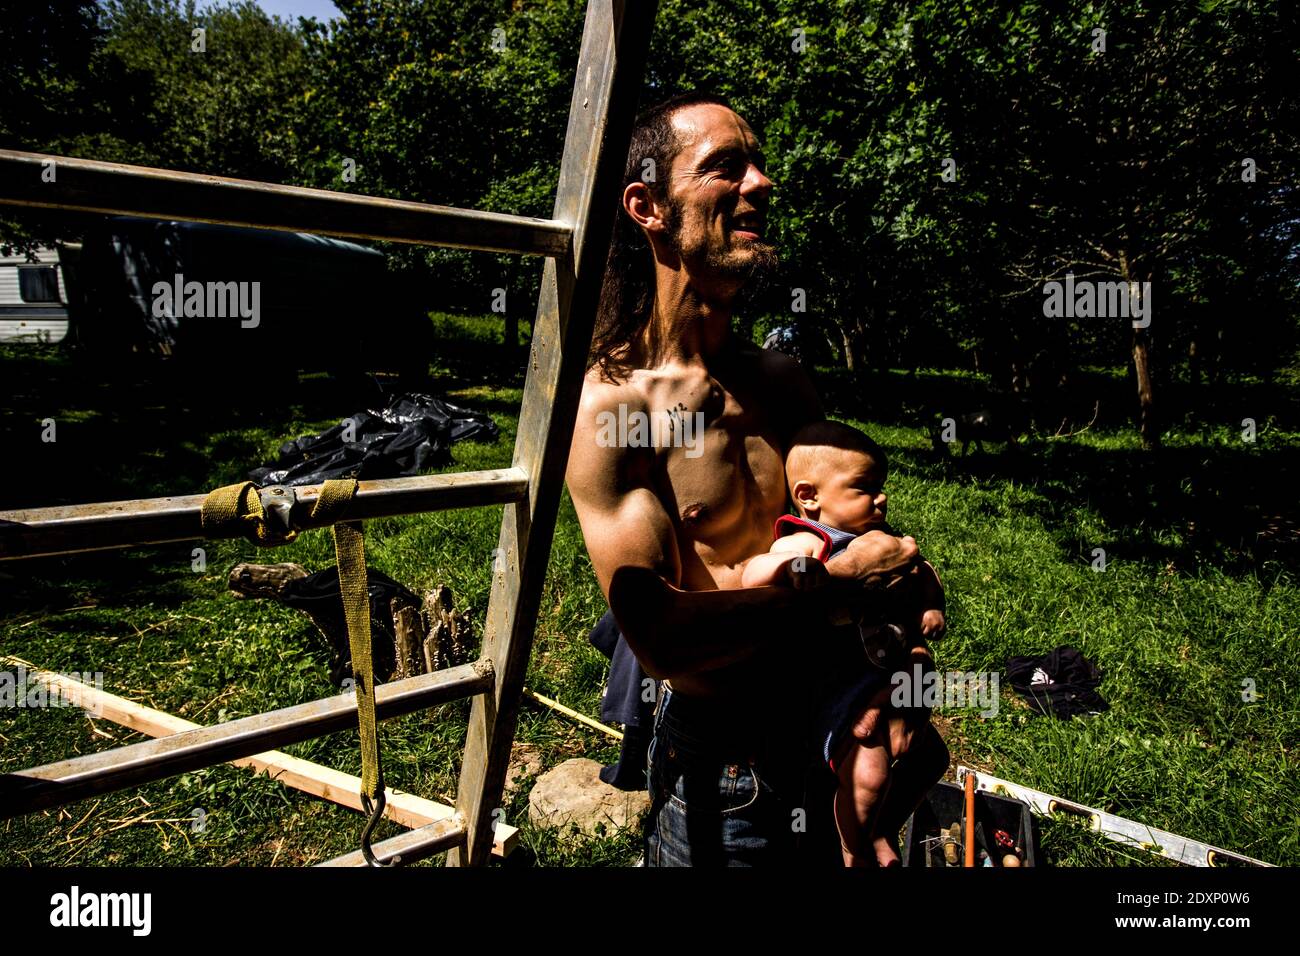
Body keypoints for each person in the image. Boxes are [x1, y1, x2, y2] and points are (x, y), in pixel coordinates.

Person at [564, 91, 935, 866]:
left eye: (758, 165)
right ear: (647, 206)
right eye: (725, 168)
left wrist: (903, 672)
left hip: (839, 728)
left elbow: (866, 534)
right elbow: (666, 639)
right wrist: (842, 586)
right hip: (730, 770)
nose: (761, 184)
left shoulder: (784, 382)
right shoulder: (614, 407)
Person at [741, 420, 950, 866]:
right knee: (870, 775)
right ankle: (855, 848)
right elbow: (754, 575)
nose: (881, 498)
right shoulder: (808, 540)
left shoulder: (883, 539)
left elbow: (924, 570)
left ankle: (882, 826)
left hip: (890, 673)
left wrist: (933, 605)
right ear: (809, 496)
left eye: (882, 487)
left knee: (931, 759)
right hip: (842, 692)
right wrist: (795, 572)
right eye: (864, 488)